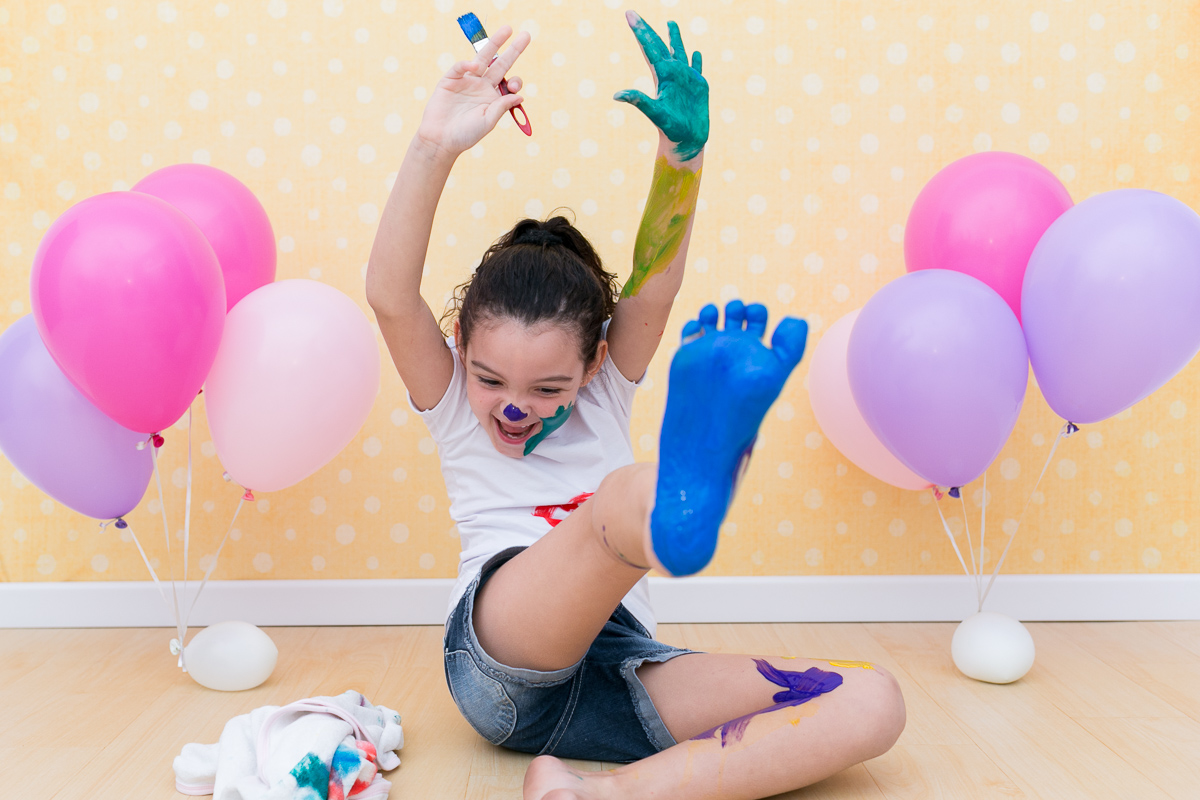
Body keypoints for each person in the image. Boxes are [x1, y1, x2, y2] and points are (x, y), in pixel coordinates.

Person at [366, 11, 905, 799]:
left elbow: (654, 284)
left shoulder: (609, 386)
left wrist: (681, 156)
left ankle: (602, 793)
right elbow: (387, 295)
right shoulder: (451, 401)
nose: (513, 409)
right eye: (491, 379)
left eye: (548, 388)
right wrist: (433, 143)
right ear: (459, 349)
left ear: (592, 366)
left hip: (627, 666)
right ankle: (676, 504)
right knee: (617, 501)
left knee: (868, 700)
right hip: (502, 655)